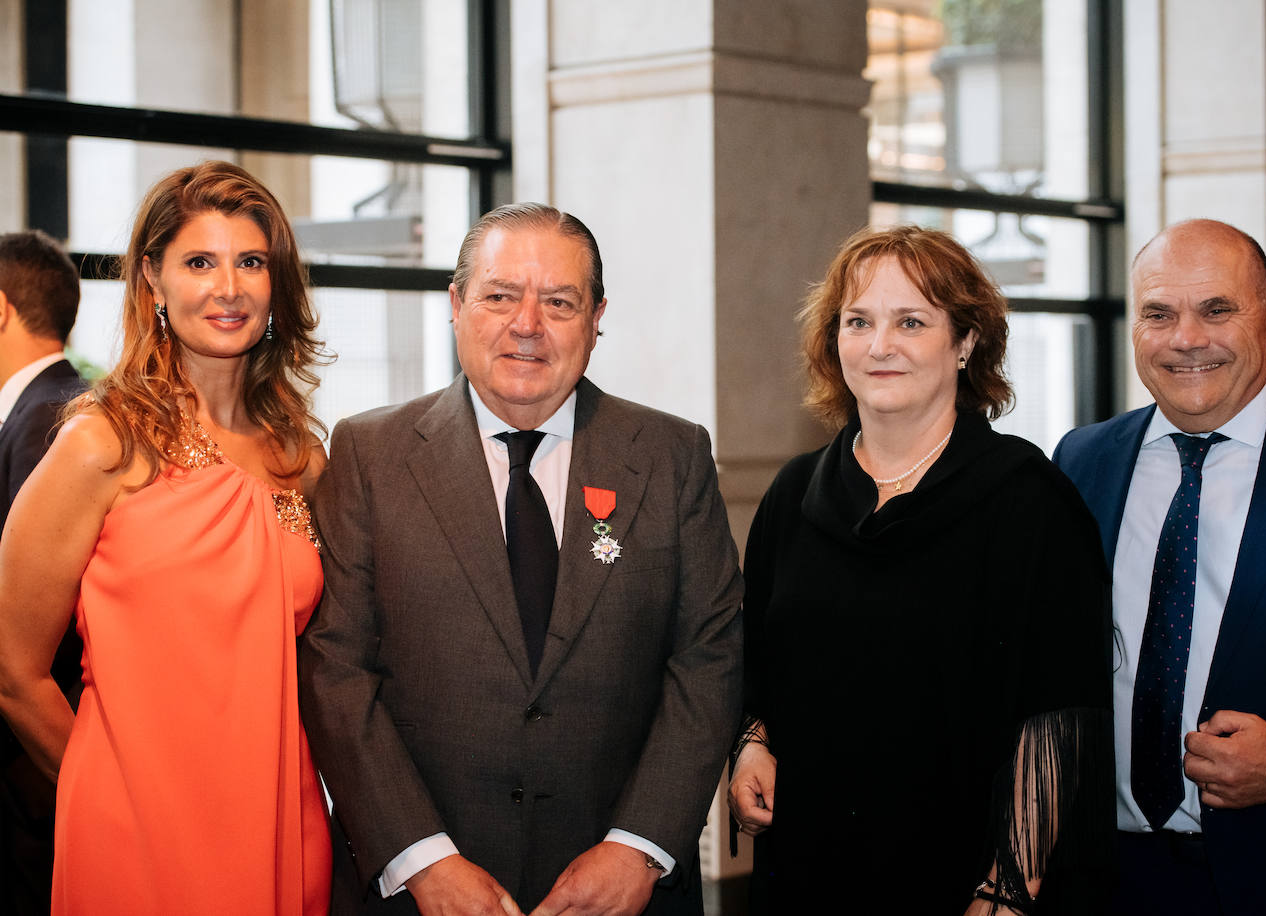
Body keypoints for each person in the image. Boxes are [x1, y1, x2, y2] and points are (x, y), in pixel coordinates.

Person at [298, 202, 743, 916]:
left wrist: (639, 847)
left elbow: (709, 659)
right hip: (419, 893)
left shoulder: (672, 456)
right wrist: (423, 860)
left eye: (559, 302)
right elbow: (336, 671)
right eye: (500, 295)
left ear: (598, 317)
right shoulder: (368, 455)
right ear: (456, 304)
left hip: (625, 892)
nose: (527, 324)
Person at [728, 225, 1113, 915]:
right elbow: (756, 659)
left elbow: (1056, 720)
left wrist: (1006, 890)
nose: (881, 345)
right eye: (858, 322)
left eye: (911, 321)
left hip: (965, 881)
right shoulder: (795, 495)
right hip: (806, 874)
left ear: (965, 342)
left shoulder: (1029, 500)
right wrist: (751, 744)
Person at [0, 161, 333, 914]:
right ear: (152, 279)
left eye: (251, 261)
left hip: (282, 825)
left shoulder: (302, 459)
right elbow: (13, 671)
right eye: (199, 262)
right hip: (133, 841)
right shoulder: (99, 444)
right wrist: (103, 790)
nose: (229, 287)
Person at [1052, 218, 1266, 915]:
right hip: (1104, 879)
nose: (1186, 338)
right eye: (1158, 314)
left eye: (1216, 310)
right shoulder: (1081, 460)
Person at [0, 229, 87, 915]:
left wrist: (74, 778)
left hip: (39, 762)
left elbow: (50, 627)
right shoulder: (32, 413)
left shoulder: (58, 421)